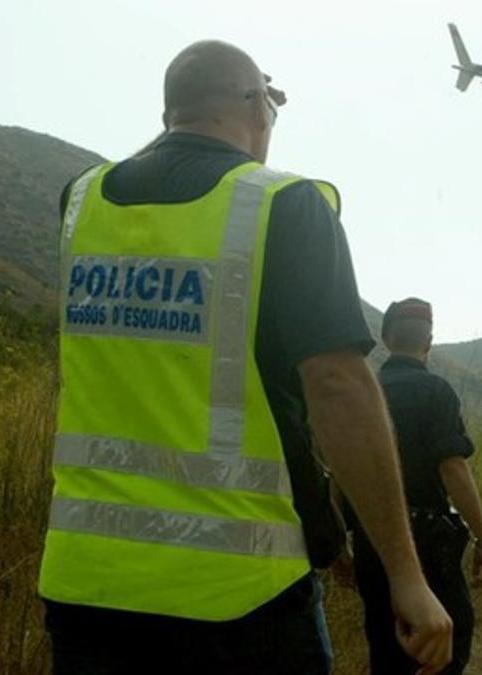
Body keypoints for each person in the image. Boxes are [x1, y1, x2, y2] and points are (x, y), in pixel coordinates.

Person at [37, 41, 452, 674]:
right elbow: (339, 387)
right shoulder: (283, 205)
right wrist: (405, 574)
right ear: (256, 106)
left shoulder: (82, 202)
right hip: (237, 596)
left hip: (83, 585)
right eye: (270, 104)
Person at [344, 298, 482, 675]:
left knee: (385, 648)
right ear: (428, 343)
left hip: (371, 541)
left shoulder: (365, 393)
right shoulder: (437, 392)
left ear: (385, 337)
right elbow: (453, 469)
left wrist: (339, 544)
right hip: (430, 544)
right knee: (445, 644)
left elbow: (339, 474)